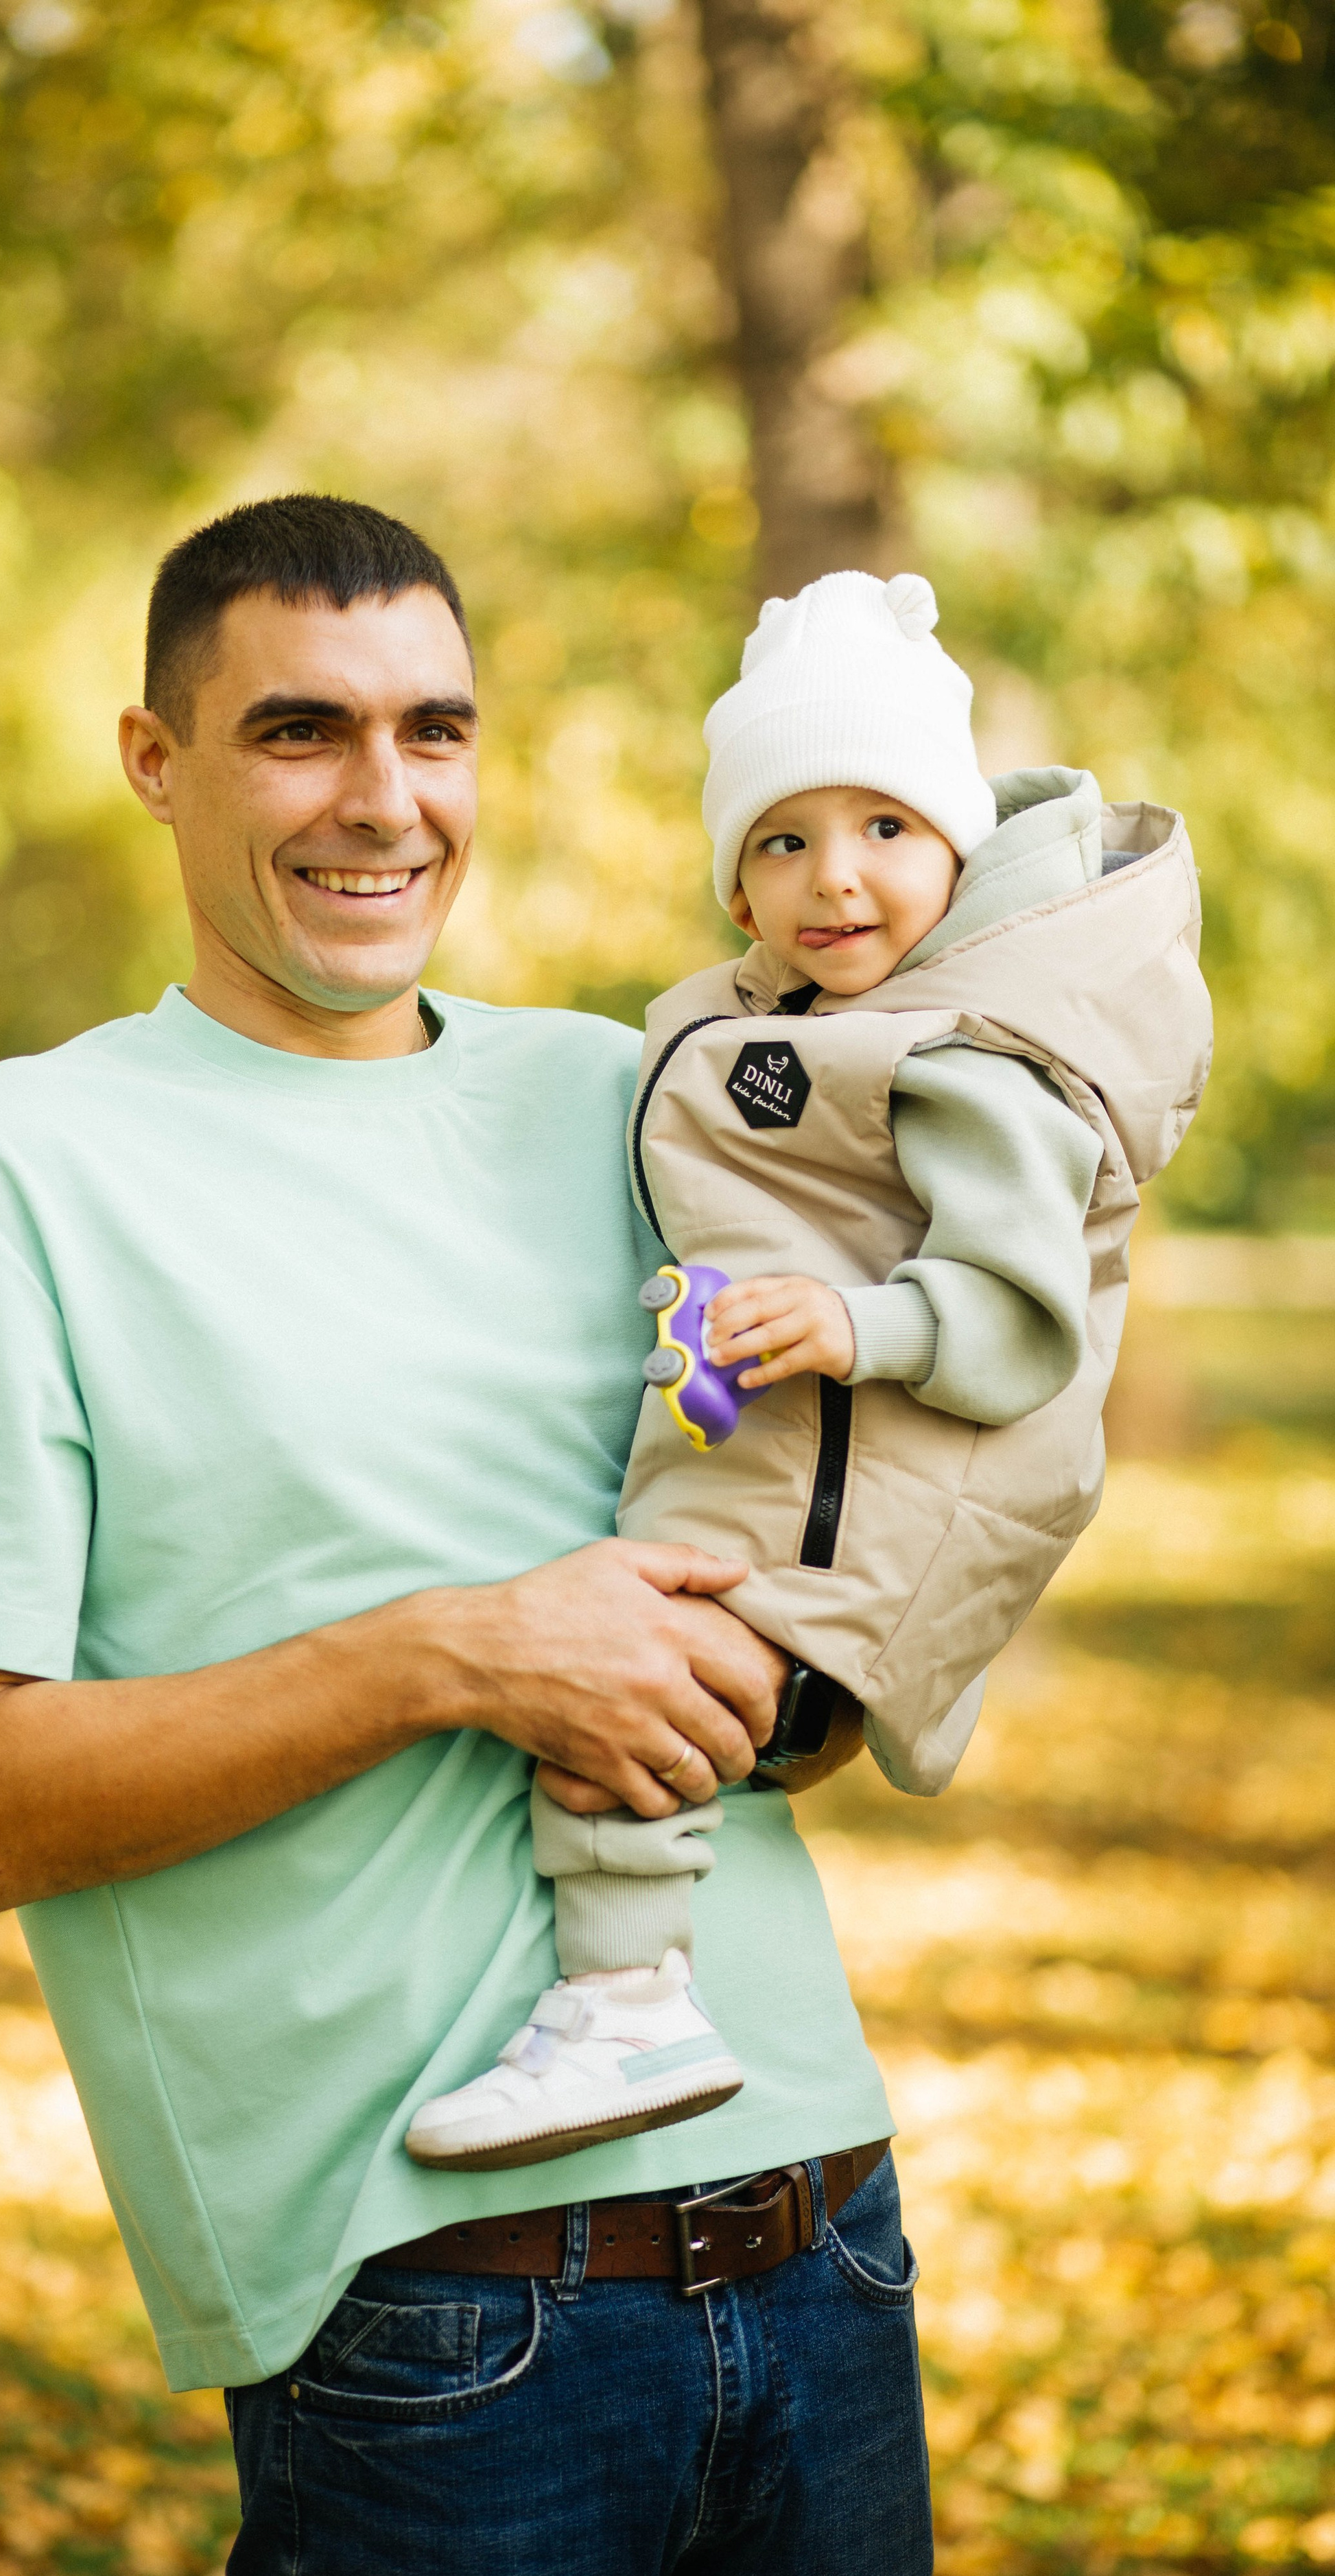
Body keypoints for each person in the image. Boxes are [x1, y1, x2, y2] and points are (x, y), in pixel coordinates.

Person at [0, 497, 931, 2576]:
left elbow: (799, 1577)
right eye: (299, 732)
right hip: (436, 2327)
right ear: (154, 758)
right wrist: (455, 1656)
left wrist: (798, 1679)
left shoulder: (635, 1100)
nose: (382, 801)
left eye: (435, 731)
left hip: (827, 2232)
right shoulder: (14, 1177)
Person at [407, 569, 1211, 2176]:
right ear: (733, 887)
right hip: (797, 1469)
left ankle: (622, 2004)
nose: (831, 882)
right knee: (635, 1673)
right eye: (780, 842)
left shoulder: (971, 1061)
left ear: (958, 849)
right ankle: (627, 1992)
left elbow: (1014, 1319)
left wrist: (856, 1328)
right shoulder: (840, 1027)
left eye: (883, 833)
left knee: (620, 1699)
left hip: (859, 1510)